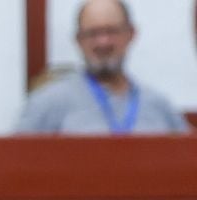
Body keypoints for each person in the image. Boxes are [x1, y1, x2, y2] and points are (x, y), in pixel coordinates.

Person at [16, 0, 189, 135]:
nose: (103, 42)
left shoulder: (160, 107)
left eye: (111, 31)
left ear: (131, 34)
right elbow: (15, 161)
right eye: (92, 33)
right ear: (78, 40)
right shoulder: (48, 103)